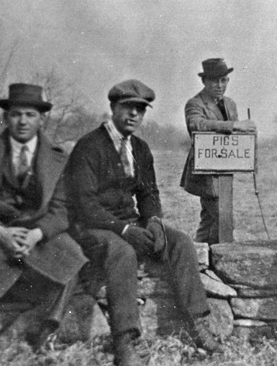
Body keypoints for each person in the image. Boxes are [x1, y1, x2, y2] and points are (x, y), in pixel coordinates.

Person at [66, 79, 223, 366]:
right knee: (123, 252)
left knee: (180, 242)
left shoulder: (139, 148)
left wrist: (153, 222)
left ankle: (199, 323)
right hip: (94, 228)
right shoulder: (88, 146)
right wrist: (126, 230)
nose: (134, 115)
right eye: (128, 108)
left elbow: (148, 192)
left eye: (141, 109)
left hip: (129, 224)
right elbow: (85, 205)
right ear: (113, 107)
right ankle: (126, 339)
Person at [0, 83, 88, 350]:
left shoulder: (58, 159)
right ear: (6, 117)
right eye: (16, 114)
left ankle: (48, 330)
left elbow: (62, 209)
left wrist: (37, 233)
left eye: (30, 115)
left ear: (41, 119)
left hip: (36, 234)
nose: (23, 121)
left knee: (72, 256)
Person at [180, 58, 256, 244]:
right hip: (204, 173)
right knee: (223, 219)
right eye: (214, 81)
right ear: (204, 81)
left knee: (209, 220)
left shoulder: (230, 104)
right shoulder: (195, 103)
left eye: (224, 80)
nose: (219, 85)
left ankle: (199, 257)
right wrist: (234, 125)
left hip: (224, 171)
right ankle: (220, 257)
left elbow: (233, 139)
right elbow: (196, 124)